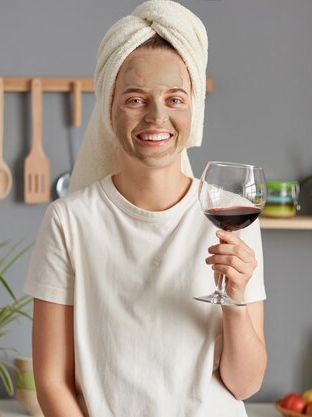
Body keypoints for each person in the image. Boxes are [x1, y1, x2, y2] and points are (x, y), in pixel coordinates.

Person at [23, 1, 267, 416]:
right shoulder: (69, 221)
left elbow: (244, 384)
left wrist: (236, 298)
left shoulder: (231, 216)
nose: (157, 117)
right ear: (109, 106)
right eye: (136, 99)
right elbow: (51, 380)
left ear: (194, 108)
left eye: (175, 99)